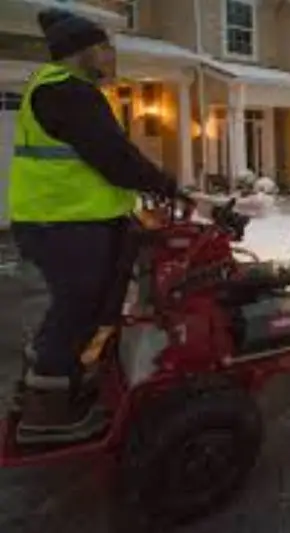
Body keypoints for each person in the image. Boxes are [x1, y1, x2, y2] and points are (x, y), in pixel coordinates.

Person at [8, 7, 183, 444]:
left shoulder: (55, 88)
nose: (111, 56)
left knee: (82, 306)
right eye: (104, 47)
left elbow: (102, 159)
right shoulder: (68, 92)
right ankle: (47, 414)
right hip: (63, 223)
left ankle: (48, 382)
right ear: (80, 52)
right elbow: (115, 157)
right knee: (77, 308)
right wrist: (167, 185)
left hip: (64, 220)